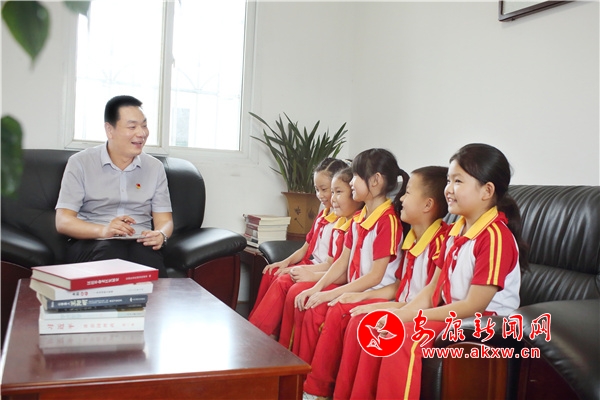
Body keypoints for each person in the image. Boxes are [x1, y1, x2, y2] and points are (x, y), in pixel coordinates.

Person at [335, 143, 528, 399]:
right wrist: (398, 313)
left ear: (487, 190)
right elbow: (431, 290)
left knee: (400, 339)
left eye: (458, 181)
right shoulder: (456, 232)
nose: (448, 189)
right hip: (453, 317)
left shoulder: (495, 237)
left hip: (484, 327)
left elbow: (473, 306)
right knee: (371, 326)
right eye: (448, 180)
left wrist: (410, 318)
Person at [302, 166, 450, 399]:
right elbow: (402, 288)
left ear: (428, 205)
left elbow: (429, 298)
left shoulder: (442, 241)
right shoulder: (414, 238)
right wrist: (362, 298)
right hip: (406, 305)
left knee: (365, 323)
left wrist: (385, 308)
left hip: (423, 312)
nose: (401, 199)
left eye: (407, 193)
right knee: (355, 319)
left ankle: (319, 389)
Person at [292, 148, 409, 369]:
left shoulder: (387, 222)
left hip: (375, 294)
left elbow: (375, 277)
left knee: (335, 311)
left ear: (375, 180)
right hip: (357, 289)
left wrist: (334, 293)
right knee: (312, 305)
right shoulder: (358, 218)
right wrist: (317, 288)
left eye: (356, 176)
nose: (351, 182)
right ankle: (299, 371)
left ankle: (318, 382)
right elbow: (342, 262)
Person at [55, 95, 173, 278]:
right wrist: (104, 231)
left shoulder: (155, 167)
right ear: (109, 130)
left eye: (144, 126)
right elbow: (63, 221)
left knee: (147, 259)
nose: (141, 133)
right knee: (111, 251)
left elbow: (165, 220)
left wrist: (161, 234)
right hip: (93, 241)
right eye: (132, 127)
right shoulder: (80, 163)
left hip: (139, 242)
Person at [248, 158, 348, 337]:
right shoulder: (323, 215)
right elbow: (305, 248)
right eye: (317, 189)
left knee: (283, 282)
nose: (320, 195)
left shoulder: (343, 222)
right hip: (309, 264)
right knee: (272, 271)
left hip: (321, 271)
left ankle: (258, 332)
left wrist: (298, 270)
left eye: (325, 189)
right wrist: (284, 263)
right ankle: (262, 327)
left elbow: (333, 264)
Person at [277, 166, 364, 349]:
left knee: (299, 294)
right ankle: (277, 343)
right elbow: (327, 258)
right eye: (330, 191)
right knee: (279, 276)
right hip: (336, 279)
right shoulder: (344, 222)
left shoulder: (359, 224)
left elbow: (346, 271)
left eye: (337, 192)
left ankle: (290, 352)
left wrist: (314, 279)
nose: (331, 198)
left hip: (348, 285)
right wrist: (291, 265)